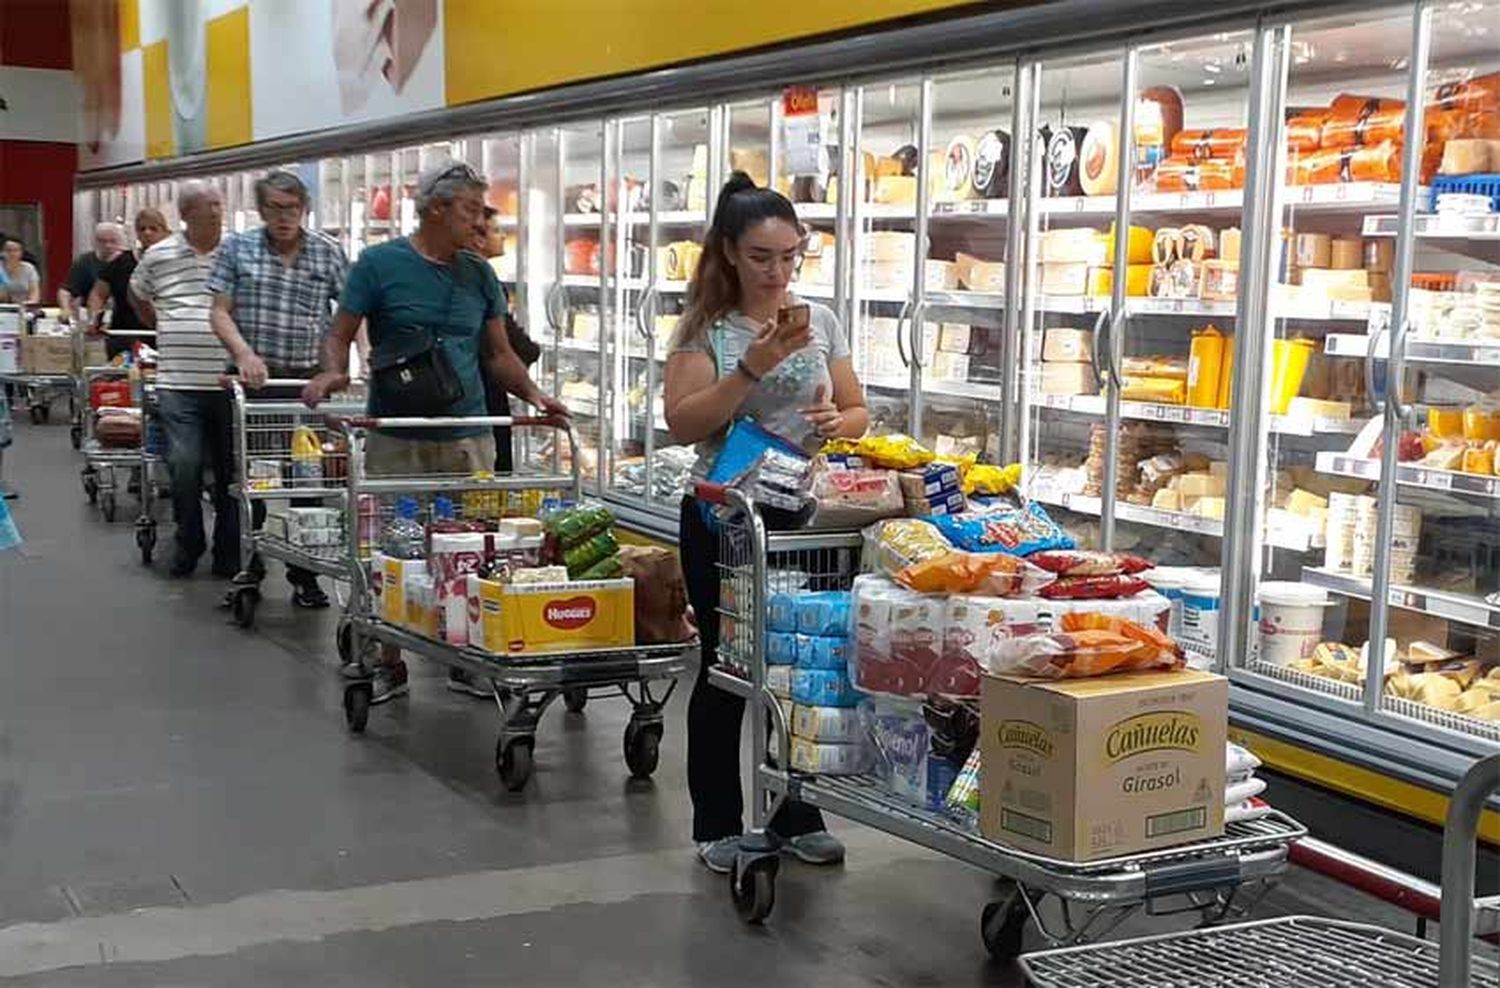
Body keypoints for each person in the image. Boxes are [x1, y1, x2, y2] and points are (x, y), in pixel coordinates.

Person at [663, 172, 870, 875]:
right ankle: (718, 818)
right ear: (727, 253)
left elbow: (858, 409)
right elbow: (684, 420)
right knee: (729, 664)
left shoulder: (822, 322)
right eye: (762, 258)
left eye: (790, 257)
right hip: (727, 516)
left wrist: (836, 421)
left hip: (803, 515)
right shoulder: (705, 330)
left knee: (802, 663)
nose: (778, 273)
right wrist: (753, 366)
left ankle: (794, 808)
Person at [303, 160, 568, 705]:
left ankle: (465, 657)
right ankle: (386, 657)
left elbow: (498, 354)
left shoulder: (480, 275)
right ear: (434, 209)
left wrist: (537, 397)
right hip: (397, 433)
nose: (479, 221)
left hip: (468, 434)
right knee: (389, 551)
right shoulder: (379, 265)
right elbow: (341, 332)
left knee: (471, 550)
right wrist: (332, 370)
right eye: (470, 209)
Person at [209, 170, 348, 608]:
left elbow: (348, 318)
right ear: (261, 209)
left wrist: (344, 367)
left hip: (306, 383)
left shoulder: (328, 253)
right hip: (255, 384)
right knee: (253, 478)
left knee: (309, 481)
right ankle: (247, 562)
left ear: (305, 209)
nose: (284, 217)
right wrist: (245, 355)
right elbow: (219, 311)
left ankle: (305, 574)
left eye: (292, 208)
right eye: (274, 207)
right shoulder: (238, 249)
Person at [130, 183, 231, 577]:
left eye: (219, 207)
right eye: (209, 208)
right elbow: (136, 293)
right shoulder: (159, 256)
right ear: (187, 214)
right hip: (177, 382)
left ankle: (228, 551)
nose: (217, 214)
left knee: (230, 472)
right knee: (183, 465)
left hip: (227, 382)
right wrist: (160, 323)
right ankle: (189, 542)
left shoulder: (236, 252)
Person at [471, 206, 541, 476]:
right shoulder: (487, 286)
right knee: (491, 480)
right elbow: (519, 348)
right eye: (497, 230)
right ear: (477, 238)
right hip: (487, 399)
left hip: (476, 396)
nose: (502, 237)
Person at [88, 209, 169, 358]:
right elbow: (98, 294)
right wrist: (94, 318)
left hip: (164, 338)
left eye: (153, 228)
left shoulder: (174, 262)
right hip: (124, 339)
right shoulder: (119, 262)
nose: (147, 233)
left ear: (165, 231)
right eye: (142, 229)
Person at [60, 223, 126, 322]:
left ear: (120, 242)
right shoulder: (84, 261)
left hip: (122, 315)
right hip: (91, 314)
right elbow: (66, 291)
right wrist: (66, 309)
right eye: (103, 241)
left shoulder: (128, 262)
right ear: (95, 242)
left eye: (113, 241)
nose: (108, 245)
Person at [0, 238, 41, 304]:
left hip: (25, 306)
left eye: (16, 250)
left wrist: (30, 304)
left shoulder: (29, 268)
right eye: (8, 250)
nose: (12, 253)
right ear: (2, 252)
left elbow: (34, 294)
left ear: (21, 252)